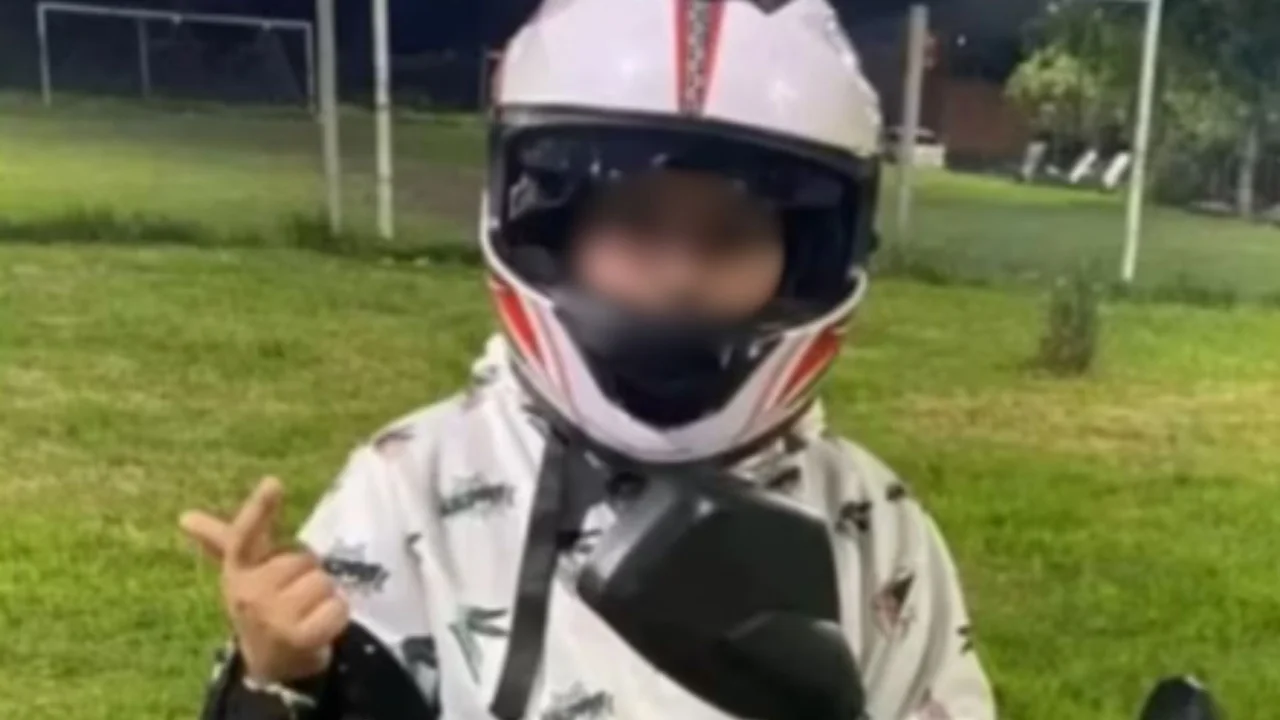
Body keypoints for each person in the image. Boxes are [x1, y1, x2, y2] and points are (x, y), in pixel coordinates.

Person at [181, 0, 997, 718]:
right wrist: (276, 680)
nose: (680, 276)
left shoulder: (870, 520)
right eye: (636, 223)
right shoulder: (413, 483)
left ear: (810, 257)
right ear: (551, 229)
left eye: (730, 235)